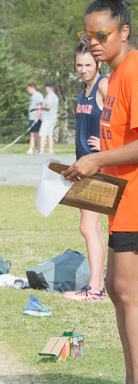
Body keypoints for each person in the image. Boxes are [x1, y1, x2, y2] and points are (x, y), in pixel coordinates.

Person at [62, 0, 138, 384]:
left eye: (101, 36)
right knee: (116, 289)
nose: (93, 43)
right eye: (87, 36)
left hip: (136, 201)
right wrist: (86, 170)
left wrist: (97, 160)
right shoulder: (111, 78)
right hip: (120, 199)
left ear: (123, 32)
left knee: (127, 292)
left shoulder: (132, 73)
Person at [66, 44, 109, 302]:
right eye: (79, 65)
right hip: (84, 166)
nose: (83, 70)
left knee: (87, 226)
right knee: (93, 227)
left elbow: (125, 119)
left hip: (99, 167)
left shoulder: (104, 86)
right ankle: (99, 283)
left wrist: (108, 145)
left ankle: (95, 289)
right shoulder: (83, 92)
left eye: (88, 65)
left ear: (98, 65)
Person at [40, 81, 60, 155]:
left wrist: (41, 106)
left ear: (48, 88)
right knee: (50, 134)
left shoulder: (49, 96)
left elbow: (48, 106)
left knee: (43, 134)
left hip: (47, 118)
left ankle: (41, 150)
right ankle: (50, 150)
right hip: (53, 117)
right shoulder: (55, 96)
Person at [26, 83, 44, 154]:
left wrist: (37, 117)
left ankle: (32, 149)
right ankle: (36, 149)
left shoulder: (38, 95)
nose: (28, 90)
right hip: (31, 117)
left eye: (28, 89)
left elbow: (39, 107)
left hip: (35, 117)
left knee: (34, 133)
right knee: (33, 133)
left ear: (32, 88)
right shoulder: (33, 96)